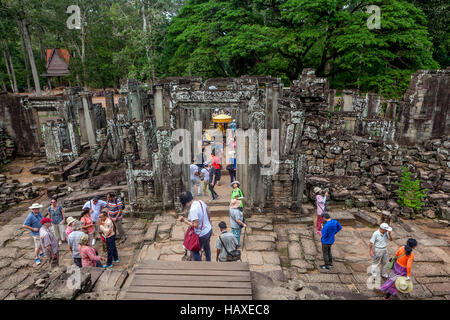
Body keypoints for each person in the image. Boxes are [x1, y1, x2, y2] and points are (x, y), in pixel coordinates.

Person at [178, 191, 212, 261]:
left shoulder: (193, 210)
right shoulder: (200, 202)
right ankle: (209, 261)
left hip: (201, 234)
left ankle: (198, 266)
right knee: (206, 247)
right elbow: (209, 213)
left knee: (194, 251)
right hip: (208, 230)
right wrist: (207, 222)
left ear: (186, 203)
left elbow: (196, 225)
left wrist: (184, 220)